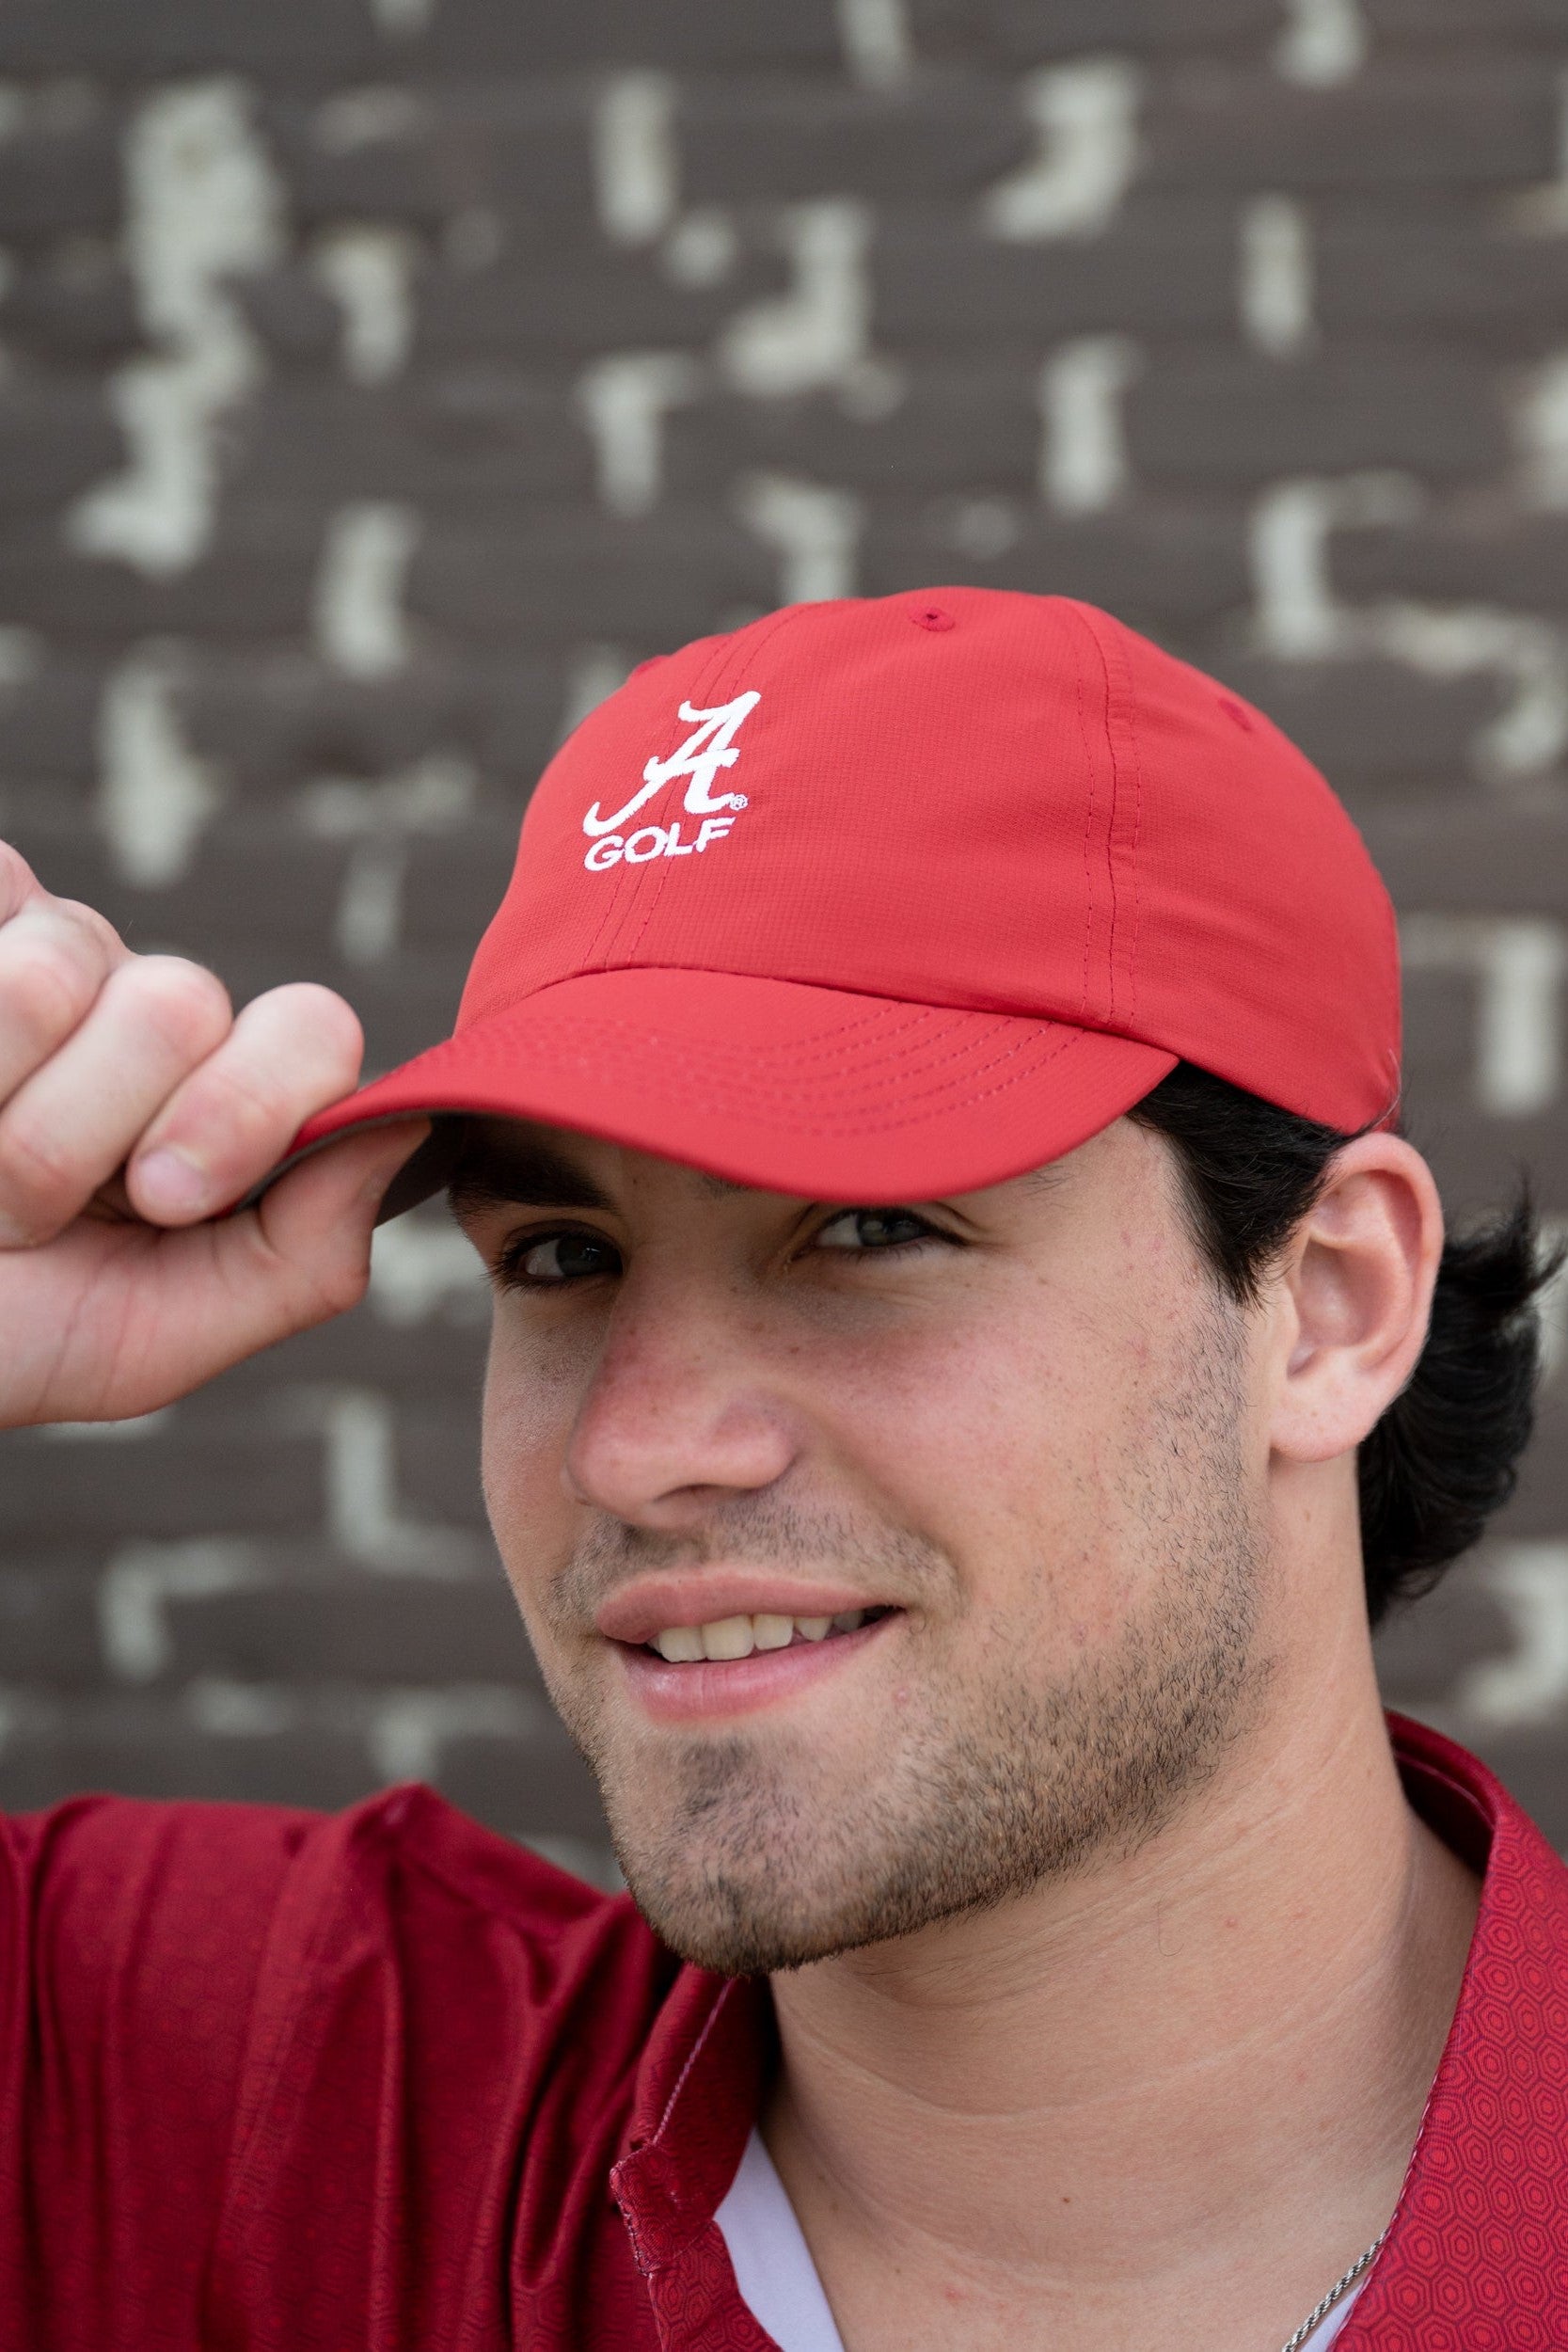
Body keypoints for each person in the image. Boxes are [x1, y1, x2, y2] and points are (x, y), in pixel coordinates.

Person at [1, 587, 1562, 2352]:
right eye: (561, 1257)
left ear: (1331, 1306)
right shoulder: (252, 2115)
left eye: (871, 1230)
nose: (641, 1446)